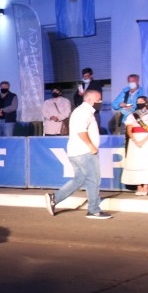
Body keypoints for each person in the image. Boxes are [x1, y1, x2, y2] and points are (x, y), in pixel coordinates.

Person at [43, 89, 112, 219]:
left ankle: (54, 198)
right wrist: (91, 146)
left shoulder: (83, 111)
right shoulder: (83, 112)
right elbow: (81, 131)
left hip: (76, 152)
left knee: (79, 179)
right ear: (90, 100)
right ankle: (94, 210)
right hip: (84, 151)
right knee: (93, 179)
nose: (101, 102)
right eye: (99, 99)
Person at [121, 96, 148, 196]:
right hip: (134, 141)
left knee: (146, 163)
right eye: (138, 101)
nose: (139, 103)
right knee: (135, 163)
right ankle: (138, 186)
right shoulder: (132, 116)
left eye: (141, 101)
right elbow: (129, 130)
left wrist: (143, 141)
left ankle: (146, 186)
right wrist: (135, 140)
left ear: (146, 103)